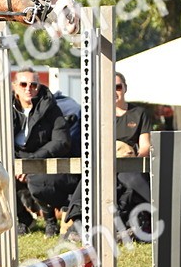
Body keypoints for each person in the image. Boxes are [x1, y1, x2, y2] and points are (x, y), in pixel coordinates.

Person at [62, 72, 153, 239]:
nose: (114, 91)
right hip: (104, 163)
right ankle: (77, 222)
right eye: (109, 88)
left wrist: (135, 159)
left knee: (129, 179)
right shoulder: (98, 116)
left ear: (125, 88)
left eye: (118, 87)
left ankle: (135, 224)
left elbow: (146, 146)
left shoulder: (139, 113)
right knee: (89, 180)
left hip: (130, 163)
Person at [11, 69, 79, 237]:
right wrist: (16, 163)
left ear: (39, 87)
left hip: (44, 161)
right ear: (15, 87)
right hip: (16, 160)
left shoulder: (50, 107)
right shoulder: (5, 109)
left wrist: (32, 162)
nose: (29, 88)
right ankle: (23, 219)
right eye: (23, 84)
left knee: (38, 180)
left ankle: (50, 220)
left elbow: (61, 141)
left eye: (34, 85)